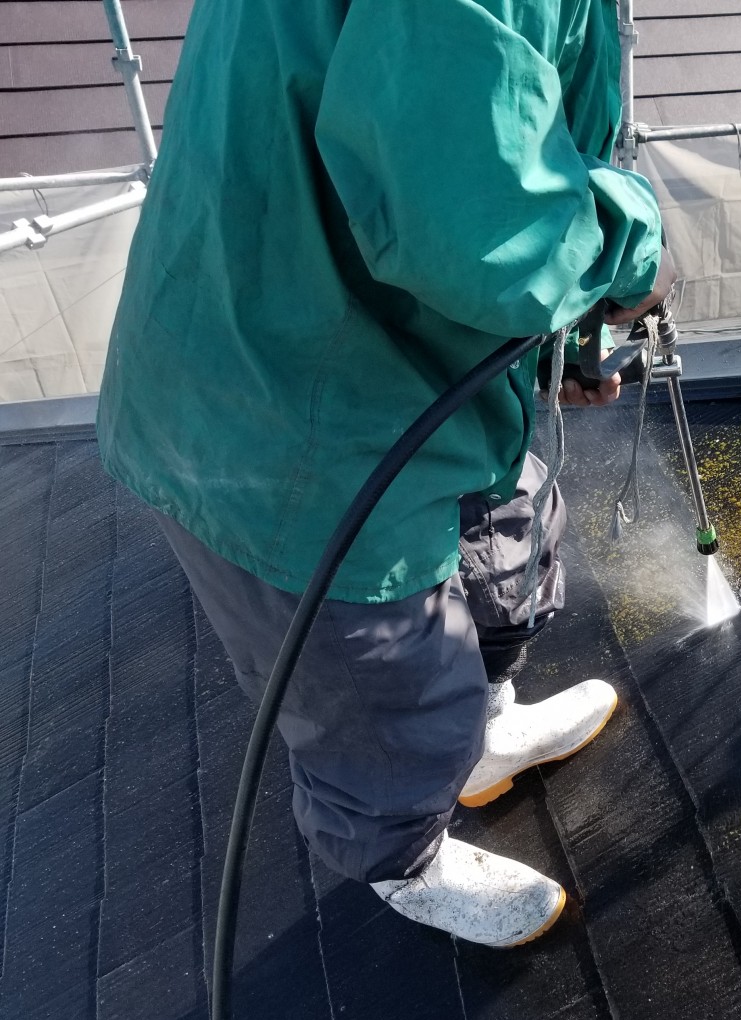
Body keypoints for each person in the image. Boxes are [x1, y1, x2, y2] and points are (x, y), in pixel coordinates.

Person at [97, 0, 674, 947]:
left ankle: (481, 736)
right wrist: (631, 256)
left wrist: (558, 333)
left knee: (505, 533)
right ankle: (403, 861)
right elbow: (478, 213)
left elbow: (476, 126)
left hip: (390, 344)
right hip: (283, 401)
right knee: (376, 677)